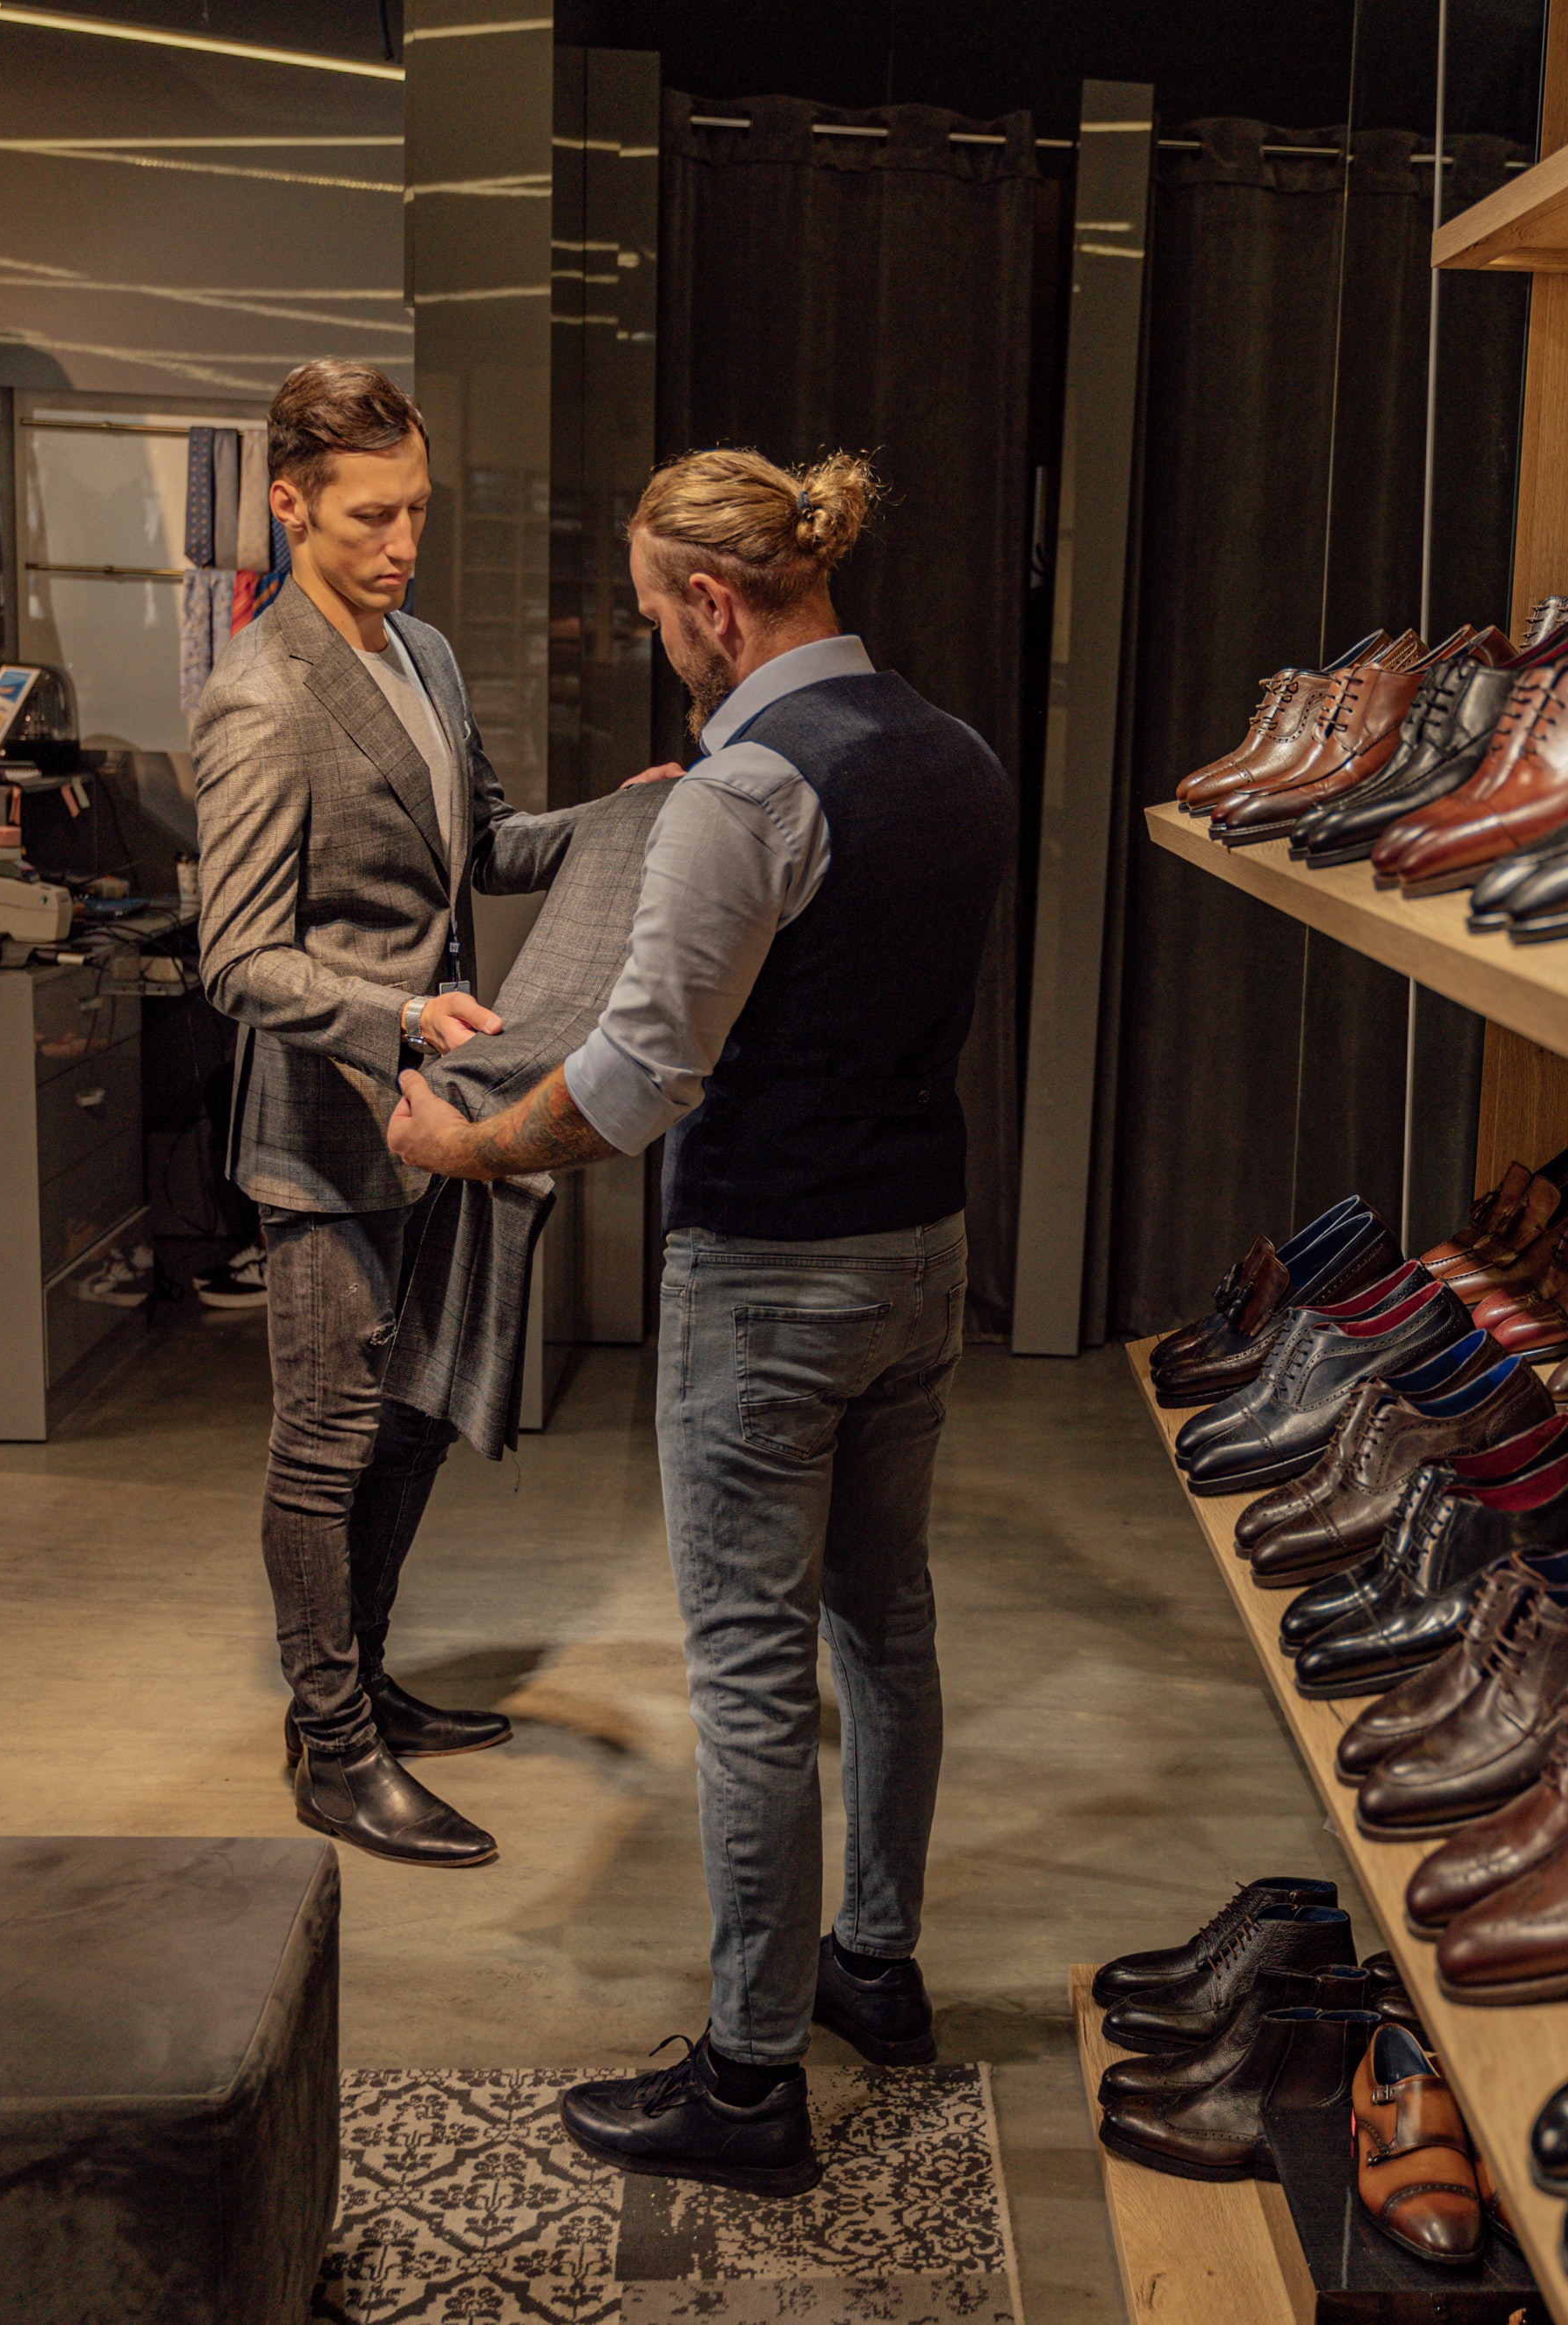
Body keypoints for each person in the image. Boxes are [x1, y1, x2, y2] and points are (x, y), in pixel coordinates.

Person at [388, 448, 1014, 2196]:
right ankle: (872, 1964)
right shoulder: (953, 752)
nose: (659, 643)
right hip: (920, 1251)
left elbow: (635, 1081)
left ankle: (747, 2080)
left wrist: (463, 1144)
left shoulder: (745, 794)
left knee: (747, 1673)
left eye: (658, 616)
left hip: (770, 1274)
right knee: (884, 1623)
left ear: (714, 605)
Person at [194, 359, 581, 1871]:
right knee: (326, 1445)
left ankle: (362, 1684)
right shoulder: (261, 696)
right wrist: (404, 1018)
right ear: (288, 503)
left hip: (438, 1122)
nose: (403, 542)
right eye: (370, 516)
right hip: (325, 1137)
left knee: (413, 1421)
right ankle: (333, 1750)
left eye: (416, 509)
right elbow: (238, 957)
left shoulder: (422, 652)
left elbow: (488, 840)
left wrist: (632, 815)